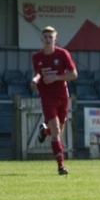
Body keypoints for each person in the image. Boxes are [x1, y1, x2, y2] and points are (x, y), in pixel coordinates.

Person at [30, 26, 78, 175]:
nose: (48, 40)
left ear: (55, 39)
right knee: (56, 131)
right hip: (47, 96)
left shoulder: (63, 54)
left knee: (57, 131)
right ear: (41, 39)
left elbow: (73, 74)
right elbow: (37, 74)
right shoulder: (37, 57)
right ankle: (60, 166)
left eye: (51, 37)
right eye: (45, 37)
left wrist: (56, 77)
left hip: (62, 95)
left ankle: (44, 131)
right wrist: (34, 80)